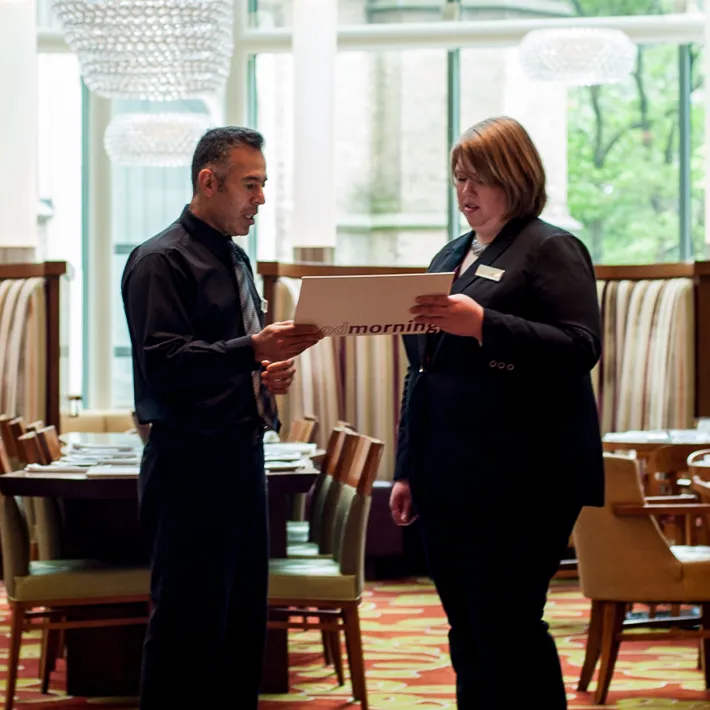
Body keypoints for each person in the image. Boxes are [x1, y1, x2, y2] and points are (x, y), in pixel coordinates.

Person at [389, 116, 604, 709]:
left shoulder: (551, 247)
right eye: (458, 179)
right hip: (446, 475)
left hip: (524, 475)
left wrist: (484, 325)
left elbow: (580, 346)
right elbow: (422, 371)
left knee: (507, 622)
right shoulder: (451, 253)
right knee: (468, 627)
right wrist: (408, 468)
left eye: (478, 178)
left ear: (514, 176)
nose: (465, 193)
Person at [121, 126, 322, 710]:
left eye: (264, 184)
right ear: (208, 182)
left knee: (240, 628)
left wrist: (266, 375)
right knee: (187, 631)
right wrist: (253, 351)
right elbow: (163, 363)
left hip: (241, 458)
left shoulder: (233, 257)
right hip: (188, 463)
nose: (260, 198)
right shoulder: (160, 260)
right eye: (250, 184)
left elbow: (231, 359)